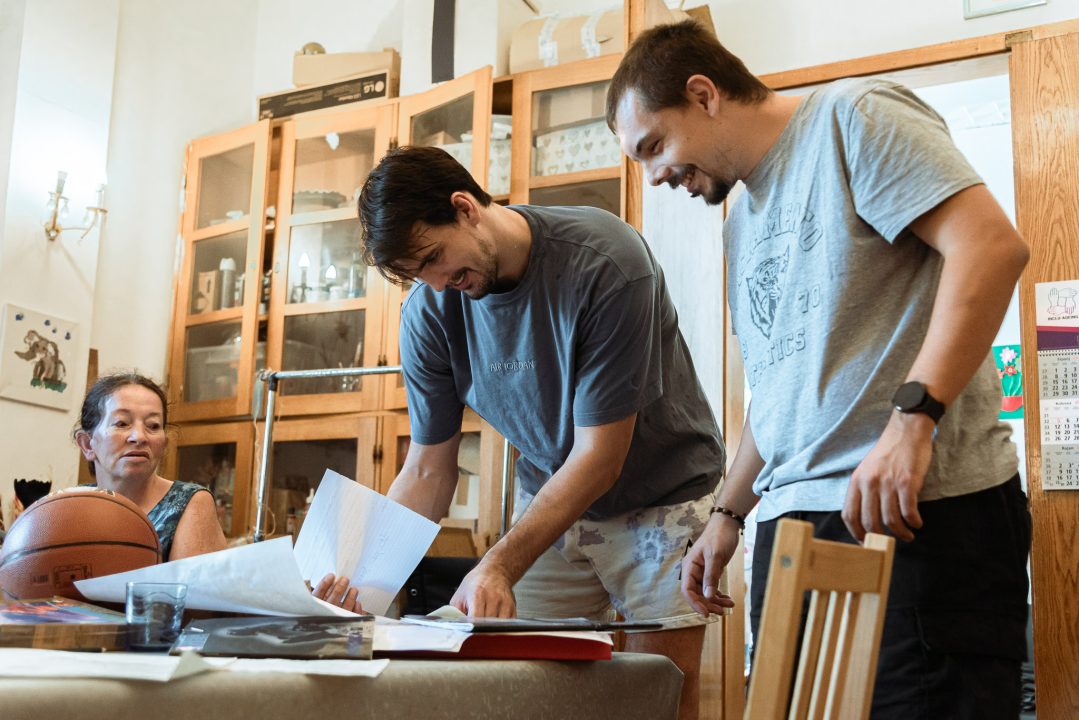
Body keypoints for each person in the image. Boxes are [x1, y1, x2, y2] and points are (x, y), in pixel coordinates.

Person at [607, 20, 1032, 719]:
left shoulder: (853, 117)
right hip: (793, 524)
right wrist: (727, 516)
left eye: (654, 146)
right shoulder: (742, 214)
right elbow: (777, 391)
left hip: (916, 514)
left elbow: (990, 248)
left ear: (703, 94)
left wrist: (912, 422)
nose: (654, 175)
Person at [358, 145, 730, 720]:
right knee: (528, 691)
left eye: (436, 257)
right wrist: (363, 582)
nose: (437, 284)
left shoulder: (605, 261)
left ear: (465, 207)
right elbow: (428, 468)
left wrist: (500, 563)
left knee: (659, 697)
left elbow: (599, 457)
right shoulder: (431, 308)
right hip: (553, 503)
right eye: (416, 274)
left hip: (664, 496)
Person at [73, 373, 360, 611]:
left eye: (153, 426)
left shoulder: (188, 502)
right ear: (87, 444)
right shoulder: (65, 509)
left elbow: (191, 613)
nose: (140, 436)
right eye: (122, 423)